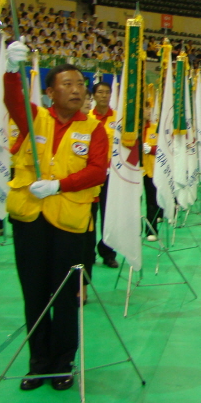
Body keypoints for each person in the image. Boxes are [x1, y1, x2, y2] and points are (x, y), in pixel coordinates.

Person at [3, 40, 108, 391]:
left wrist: (59, 184)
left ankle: (64, 361)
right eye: (68, 84)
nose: (77, 90)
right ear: (50, 93)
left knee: (65, 296)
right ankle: (38, 363)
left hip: (69, 224)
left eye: (80, 84)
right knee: (33, 293)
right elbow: (13, 101)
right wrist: (8, 70)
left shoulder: (94, 129)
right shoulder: (34, 118)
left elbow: (97, 171)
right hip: (30, 219)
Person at [88, 82, 118, 270]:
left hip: (112, 175)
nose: (104, 96)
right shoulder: (86, 117)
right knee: (89, 215)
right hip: (91, 175)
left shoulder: (118, 118)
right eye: (100, 92)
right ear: (94, 95)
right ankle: (88, 253)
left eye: (107, 92)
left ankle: (108, 253)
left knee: (109, 215)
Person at [141, 101, 161, 242]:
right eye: (145, 108)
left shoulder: (155, 128)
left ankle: (151, 229)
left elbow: (164, 149)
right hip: (135, 170)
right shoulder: (130, 130)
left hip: (151, 170)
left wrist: (151, 149)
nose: (148, 111)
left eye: (149, 108)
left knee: (152, 201)